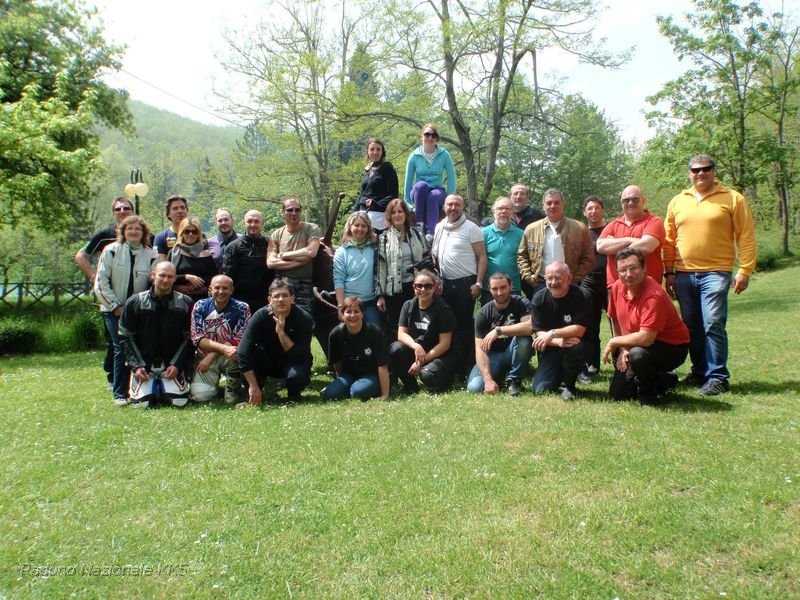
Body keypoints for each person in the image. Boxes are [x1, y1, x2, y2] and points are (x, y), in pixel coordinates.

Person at [663, 154, 757, 396]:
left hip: (716, 272)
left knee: (713, 322)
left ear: (714, 171)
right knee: (691, 326)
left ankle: (718, 377)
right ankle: (699, 372)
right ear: (689, 173)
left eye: (706, 169)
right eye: (695, 170)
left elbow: (745, 236)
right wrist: (669, 271)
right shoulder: (678, 201)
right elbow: (669, 240)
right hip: (683, 274)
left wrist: (745, 269)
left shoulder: (732, 198)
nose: (701, 174)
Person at [603, 248, 690, 406]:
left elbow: (646, 338)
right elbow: (614, 318)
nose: (628, 274)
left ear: (644, 268)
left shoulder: (653, 294)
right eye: (623, 270)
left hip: (671, 347)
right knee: (619, 394)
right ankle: (665, 379)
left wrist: (615, 342)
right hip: (639, 344)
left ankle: (647, 395)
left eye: (633, 268)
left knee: (638, 355)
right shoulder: (617, 287)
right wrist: (623, 349)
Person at [94, 215, 158, 406]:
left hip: (138, 311)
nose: (133, 232)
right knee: (121, 347)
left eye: (137, 229)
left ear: (144, 233)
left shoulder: (150, 254)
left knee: (137, 348)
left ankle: (136, 388)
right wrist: (115, 306)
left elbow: (152, 283)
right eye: (129, 228)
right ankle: (119, 392)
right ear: (123, 231)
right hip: (113, 309)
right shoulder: (111, 251)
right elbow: (101, 281)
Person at [505, 261, 588, 402]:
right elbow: (538, 331)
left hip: (574, 344)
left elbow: (579, 329)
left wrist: (552, 333)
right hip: (552, 347)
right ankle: (560, 374)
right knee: (540, 389)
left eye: (558, 278)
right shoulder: (539, 298)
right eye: (549, 278)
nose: (553, 282)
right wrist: (557, 341)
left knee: (576, 346)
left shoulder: (580, 295)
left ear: (568, 277)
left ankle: (569, 385)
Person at [75, 195, 134, 388]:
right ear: (114, 212)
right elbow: (81, 256)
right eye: (119, 209)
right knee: (113, 339)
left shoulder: (141, 233)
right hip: (109, 295)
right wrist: (94, 278)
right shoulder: (104, 235)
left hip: (134, 296)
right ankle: (112, 377)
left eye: (126, 208)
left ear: (132, 211)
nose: (123, 211)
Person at [118, 261, 194, 408]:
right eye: (162, 275)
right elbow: (125, 335)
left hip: (171, 364)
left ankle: (162, 387)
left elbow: (190, 337)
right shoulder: (135, 301)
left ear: (174, 279)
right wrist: (137, 365)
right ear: (153, 276)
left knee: (179, 401)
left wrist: (177, 364)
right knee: (140, 405)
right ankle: (153, 387)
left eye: (170, 277)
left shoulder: (185, 302)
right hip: (144, 364)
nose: (166, 280)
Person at [431, 194, 487, 367]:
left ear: (462, 207)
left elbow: (482, 257)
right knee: (446, 326)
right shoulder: (440, 227)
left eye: (457, 205)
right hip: (444, 285)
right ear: (444, 207)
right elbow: (435, 255)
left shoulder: (472, 228)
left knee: (463, 326)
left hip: (465, 284)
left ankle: (465, 365)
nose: (453, 208)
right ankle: (449, 363)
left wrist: (478, 283)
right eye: (450, 204)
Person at [237, 280, 314, 404]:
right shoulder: (260, 316)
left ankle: (294, 395)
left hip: (292, 361)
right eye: (276, 296)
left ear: (292, 298)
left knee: (298, 375)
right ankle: (254, 391)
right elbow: (242, 351)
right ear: (269, 299)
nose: (280, 299)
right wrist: (253, 385)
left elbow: (299, 355)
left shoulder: (304, 318)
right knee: (250, 355)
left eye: (285, 295)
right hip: (267, 360)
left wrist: (281, 333)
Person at [389, 269, 458, 394]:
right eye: (419, 286)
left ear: (435, 287)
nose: (423, 289)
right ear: (413, 287)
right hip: (418, 351)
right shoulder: (408, 305)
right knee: (395, 349)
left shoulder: (443, 310)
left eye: (428, 286)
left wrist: (422, 361)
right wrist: (416, 347)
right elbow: (401, 334)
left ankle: (444, 378)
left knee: (427, 375)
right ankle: (411, 387)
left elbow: (445, 344)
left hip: (438, 353)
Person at [517, 188, 594, 298]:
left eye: (557, 202)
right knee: (541, 315)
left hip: (569, 285)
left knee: (569, 315)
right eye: (549, 203)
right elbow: (522, 256)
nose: (553, 206)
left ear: (563, 204)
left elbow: (588, 257)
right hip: (540, 284)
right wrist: (529, 278)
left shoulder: (579, 228)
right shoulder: (531, 229)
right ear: (543, 206)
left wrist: (575, 279)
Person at [467, 273, 532, 396]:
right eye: (495, 289)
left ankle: (514, 381)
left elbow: (529, 327)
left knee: (524, 339)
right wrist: (487, 379)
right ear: (490, 290)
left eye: (503, 287)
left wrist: (499, 330)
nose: (499, 292)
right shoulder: (483, 313)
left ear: (510, 286)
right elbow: (480, 350)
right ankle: (501, 375)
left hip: (513, 351)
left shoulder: (521, 303)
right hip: (493, 355)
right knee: (474, 388)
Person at [189, 274, 251, 404]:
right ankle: (214, 382)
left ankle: (233, 388)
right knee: (201, 396)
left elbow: (237, 339)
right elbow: (197, 338)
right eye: (217, 288)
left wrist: (212, 355)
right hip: (205, 357)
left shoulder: (242, 308)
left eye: (225, 288)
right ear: (210, 289)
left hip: (229, 356)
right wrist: (221, 349)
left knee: (236, 353)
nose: (221, 292)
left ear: (232, 290)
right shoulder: (200, 306)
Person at [376, 198, 429, 341]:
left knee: (418, 324)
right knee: (398, 327)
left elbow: (427, 258)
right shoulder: (384, 239)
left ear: (406, 214)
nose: (397, 215)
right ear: (389, 216)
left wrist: (420, 269)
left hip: (417, 288)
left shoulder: (417, 234)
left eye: (400, 211)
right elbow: (381, 267)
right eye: (393, 212)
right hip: (394, 291)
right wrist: (380, 295)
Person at [322, 297, 390, 401]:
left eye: (356, 311)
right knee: (330, 394)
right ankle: (349, 388)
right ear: (342, 314)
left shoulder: (374, 332)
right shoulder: (336, 334)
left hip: (372, 374)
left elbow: (383, 366)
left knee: (357, 392)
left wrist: (385, 394)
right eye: (348, 312)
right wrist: (340, 384)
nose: (352, 315)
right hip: (349, 375)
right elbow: (337, 363)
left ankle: (359, 388)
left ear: (362, 314)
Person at [597, 185, 665, 287]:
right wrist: (630, 240)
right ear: (621, 203)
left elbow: (646, 247)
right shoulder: (613, 225)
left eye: (635, 199)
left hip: (648, 287)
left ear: (643, 200)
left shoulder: (654, 222)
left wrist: (615, 244)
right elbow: (600, 246)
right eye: (626, 200)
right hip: (616, 288)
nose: (630, 203)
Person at [267, 198, 321, 314]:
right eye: (290, 210)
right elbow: (271, 262)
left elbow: (311, 252)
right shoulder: (276, 235)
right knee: (277, 316)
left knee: (304, 318)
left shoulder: (311, 229)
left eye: (297, 210)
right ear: (283, 212)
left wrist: (284, 255)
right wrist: (299, 262)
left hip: (305, 285)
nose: (294, 213)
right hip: (283, 284)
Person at [404, 123, 457, 235]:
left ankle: (431, 233)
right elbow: (408, 182)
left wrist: (449, 200)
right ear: (421, 136)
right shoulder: (414, 156)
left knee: (433, 196)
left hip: (437, 190)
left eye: (433, 135)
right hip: (419, 192)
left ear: (437, 138)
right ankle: (419, 225)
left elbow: (452, 178)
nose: (430, 138)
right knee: (420, 185)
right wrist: (408, 203)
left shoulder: (444, 155)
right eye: (427, 134)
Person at [333, 211, 381, 326]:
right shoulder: (342, 252)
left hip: (369, 302)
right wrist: (340, 306)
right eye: (356, 225)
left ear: (368, 228)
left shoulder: (376, 248)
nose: (360, 229)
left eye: (363, 226)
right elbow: (338, 279)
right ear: (350, 227)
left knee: (375, 333)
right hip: (349, 303)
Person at [579, 195, 608, 382]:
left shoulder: (610, 230)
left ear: (602, 210)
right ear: (585, 212)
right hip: (588, 282)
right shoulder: (581, 232)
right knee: (591, 325)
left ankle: (621, 360)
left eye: (597, 208)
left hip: (610, 282)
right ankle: (592, 363)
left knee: (616, 323)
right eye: (590, 208)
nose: (593, 211)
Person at [223, 209, 273, 313]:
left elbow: (277, 272)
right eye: (249, 221)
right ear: (244, 223)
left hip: (266, 299)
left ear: (262, 223)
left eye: (256, 221)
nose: (253, 224)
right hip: (240, 300)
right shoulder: (233, 247)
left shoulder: (270, 244)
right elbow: (228, 276)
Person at [481, 196, 524, 305]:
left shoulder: (521, 234)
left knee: (514, 320)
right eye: (500, 208)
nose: (503, 211)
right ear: (493, 211)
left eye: (507, 209)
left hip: (513, 287)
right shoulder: (483, 233)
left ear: (512, 212)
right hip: (490, 288)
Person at [167, 217, 218, 304]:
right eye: (187, 231)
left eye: (194, 232)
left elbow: (214, 278)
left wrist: (199, 283)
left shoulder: (206, 254)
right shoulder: (174, 253)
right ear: (182, 233)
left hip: (201, 301)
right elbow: (166, 276)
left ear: (198, 234)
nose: (190, 234)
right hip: (177, 301)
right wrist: (187, 277)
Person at [354, 138, 399, 232]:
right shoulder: (368, 170)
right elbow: (361, 194)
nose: (375, 152)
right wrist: (353, 213)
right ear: (367, 152)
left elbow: (393, 195)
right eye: (372, 149)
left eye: (378, 149)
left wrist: (375, 204)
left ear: (382, 152)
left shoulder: (387, 168)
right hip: (362, 213)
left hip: (378, 214)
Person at [154, 194, 189, 260]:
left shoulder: (197, 235)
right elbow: (159, 262)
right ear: (168, 214)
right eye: (175, 208)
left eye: (182, 207)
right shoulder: (160, 238)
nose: (180, 211)